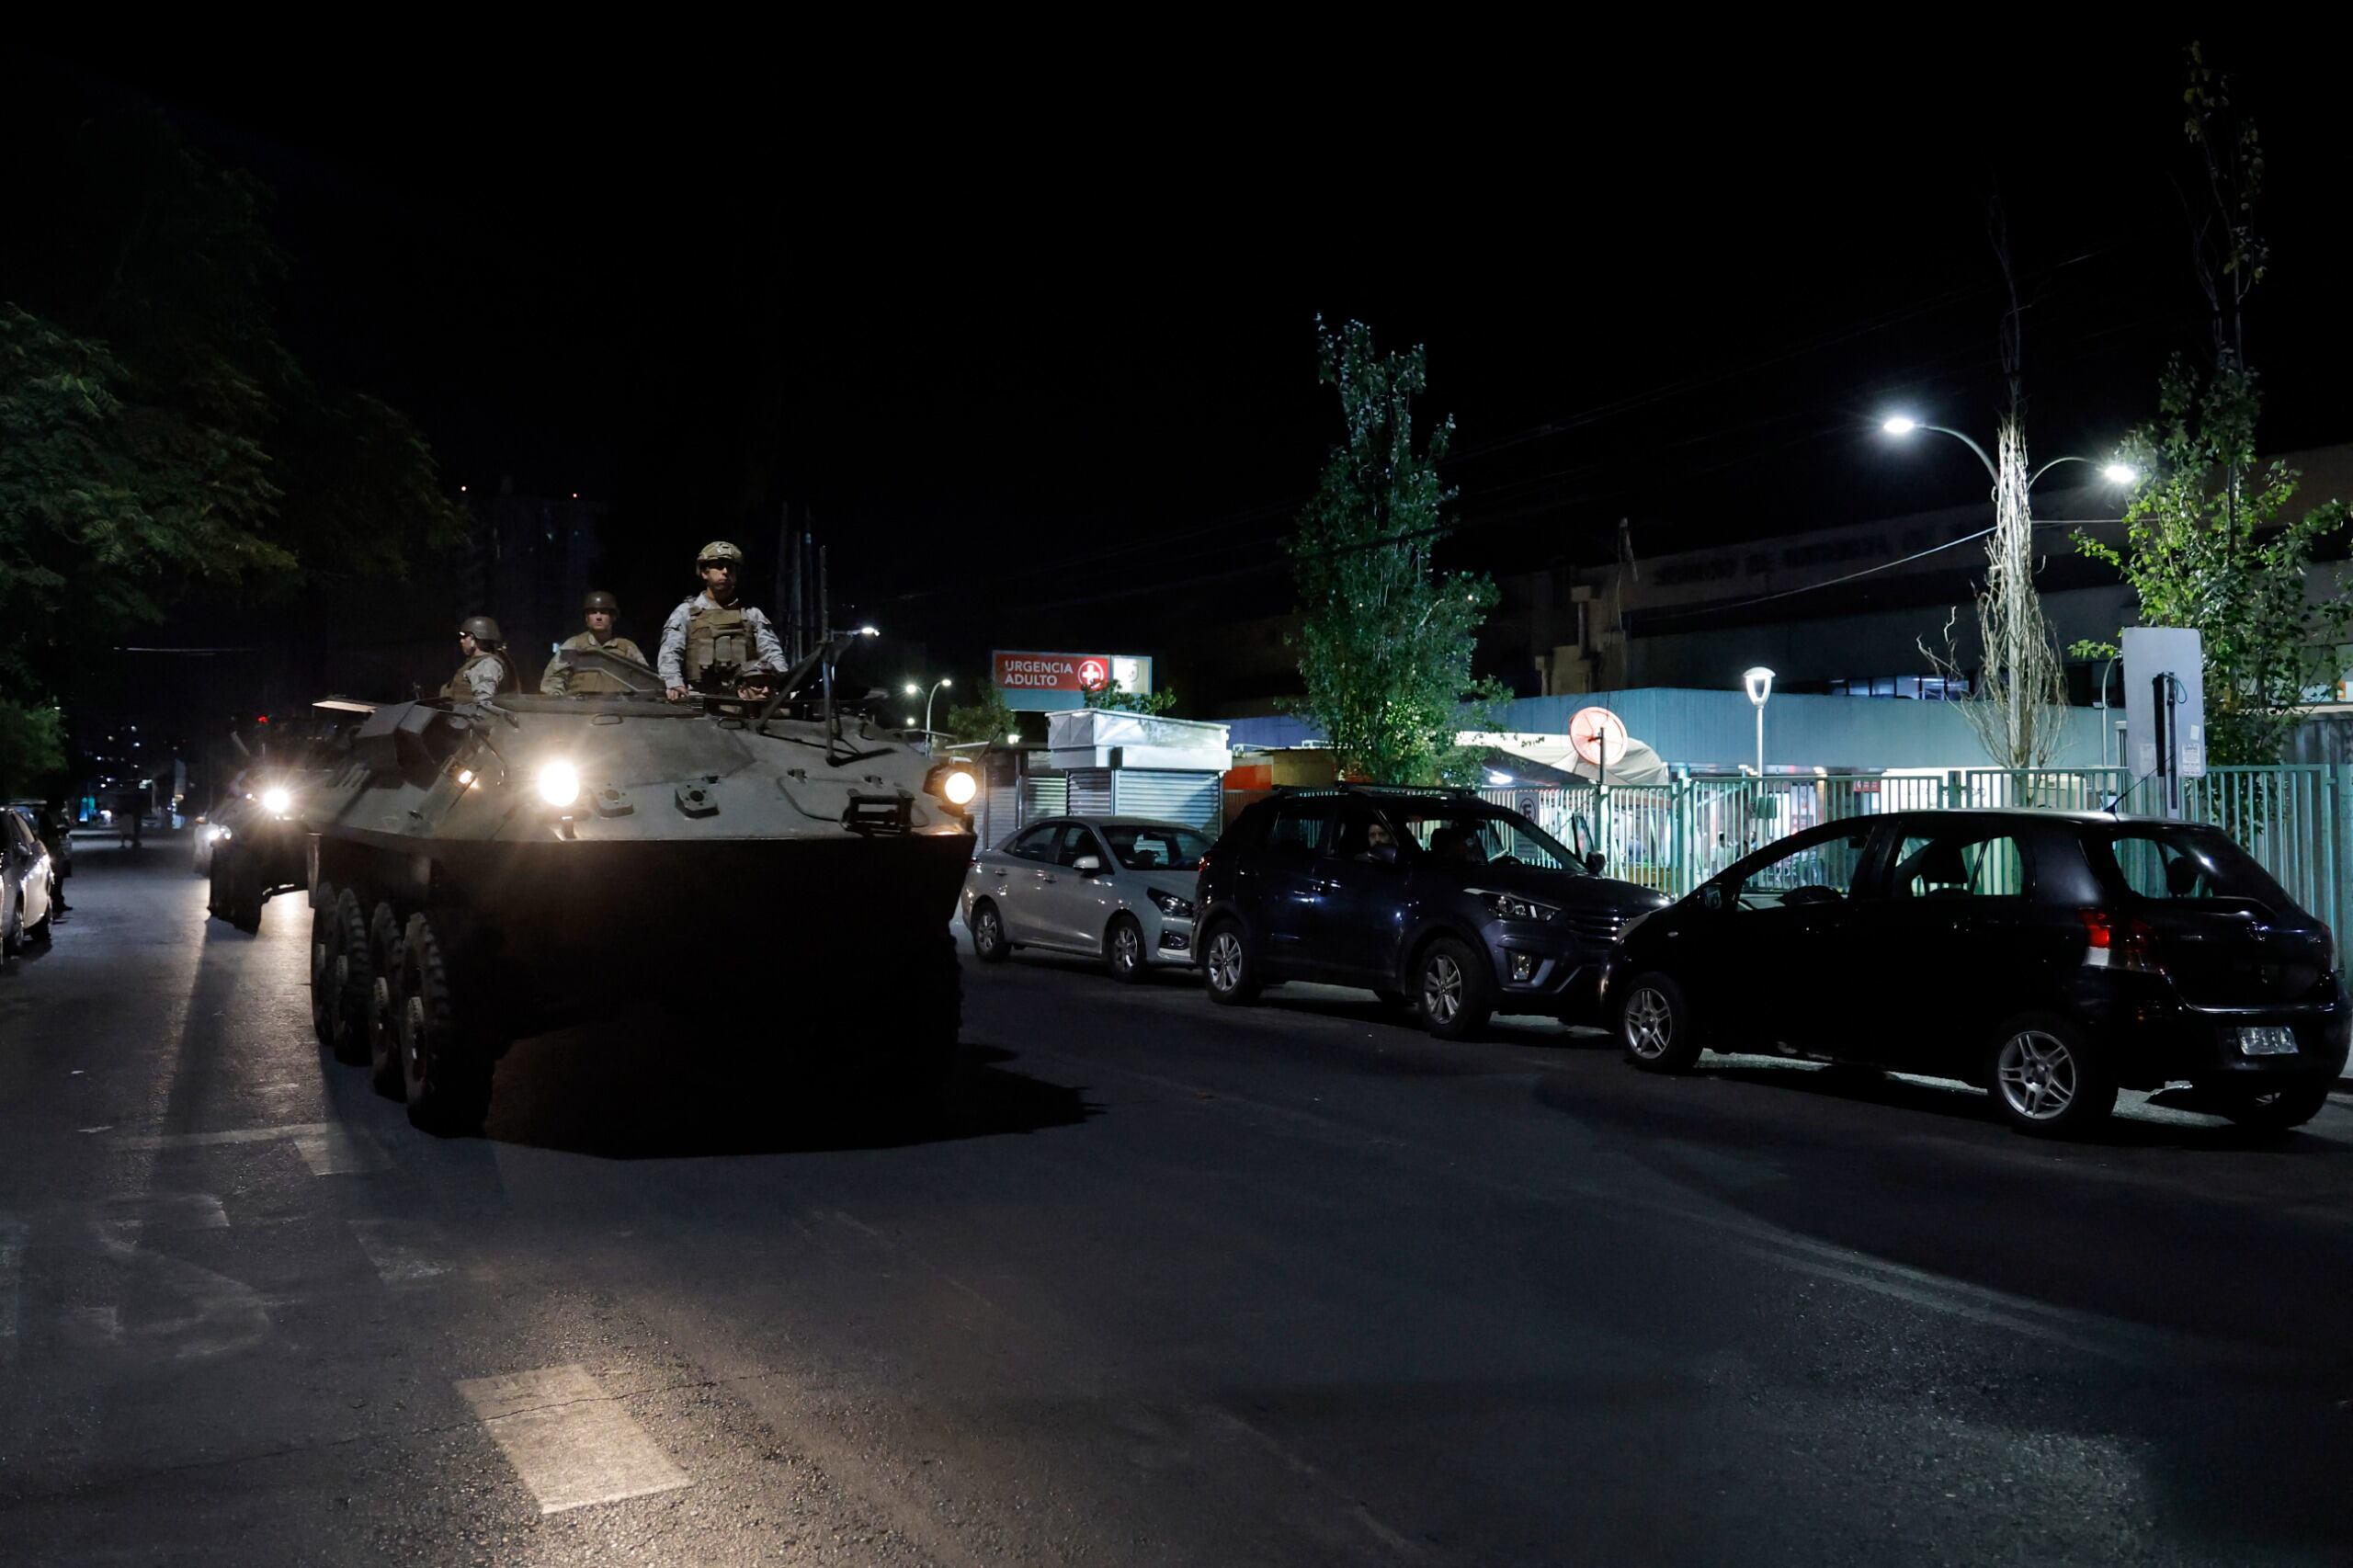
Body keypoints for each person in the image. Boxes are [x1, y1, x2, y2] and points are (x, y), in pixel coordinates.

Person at [657, 541, 788, 701]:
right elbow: (671, 651)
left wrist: (780, 684)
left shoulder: (751, 614)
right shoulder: (685, 613)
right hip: (698, 699)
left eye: (730, 568)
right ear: (705, 573)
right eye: (719, 566)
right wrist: (673, 682)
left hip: (744, 699)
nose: (725, 572)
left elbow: (772, 653)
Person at [540, 591, 648, 695]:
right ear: (586, 618)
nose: (598, 617)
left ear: (613, 617)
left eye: (603, 612)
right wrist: (559, 700)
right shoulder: (574, 645)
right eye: (593, 612)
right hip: (580, 708)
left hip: (619, 709)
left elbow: (646, 681)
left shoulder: (627, 647)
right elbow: (554, 678)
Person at [445, 615, 519, 703]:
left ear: (476, 638)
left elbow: (484, 702)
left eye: (465, 636)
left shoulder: (487, 665)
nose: (461, 641)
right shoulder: (477, 663)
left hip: (473, 716)